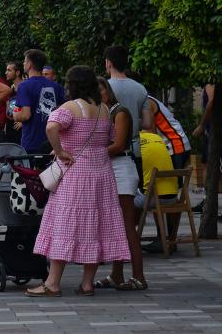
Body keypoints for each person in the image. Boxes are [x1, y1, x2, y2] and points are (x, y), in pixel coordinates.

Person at [26, 65, 130, 297]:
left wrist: (60, 150)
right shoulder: (103, 108)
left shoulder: (70, 107)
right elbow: (110, 138)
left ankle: (52, 283)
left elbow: (51, 126)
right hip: (102, 173)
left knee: (65, 224)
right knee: (95, 225)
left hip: (75, 173)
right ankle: (87, 283)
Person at [94, 78, 146, 291]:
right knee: (116, 225)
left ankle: (139, 276)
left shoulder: (119, 111)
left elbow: (119, 144)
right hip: (108, 168)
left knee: (127, 225)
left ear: (108, 90)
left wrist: (90, 152)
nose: (98, 94)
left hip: (122, 168)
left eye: (101, 89)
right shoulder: (102, 112)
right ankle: (117, 274)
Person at [12, 49, 66, 153]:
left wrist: (15, 114)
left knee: (31, 169)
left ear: (29, 65)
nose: (23, 63)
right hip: (53, 142)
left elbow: (25, 115)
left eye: (24, 61)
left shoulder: (24, 85)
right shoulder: (56, 86)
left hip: (32, 142)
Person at [105, 46, 152, 158]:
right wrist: (133, 120)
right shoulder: (140, 88)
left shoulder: (104, 89)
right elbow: (147, 124)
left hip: (112, 150)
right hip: (135, 150)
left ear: (108, 63)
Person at [3, 61, 25, 144]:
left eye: (9, 70)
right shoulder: (11, 88)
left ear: (17, 72)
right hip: (10, 125)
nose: (6, 73)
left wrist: (23, 122)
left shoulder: (25, 87)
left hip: (20, 127)